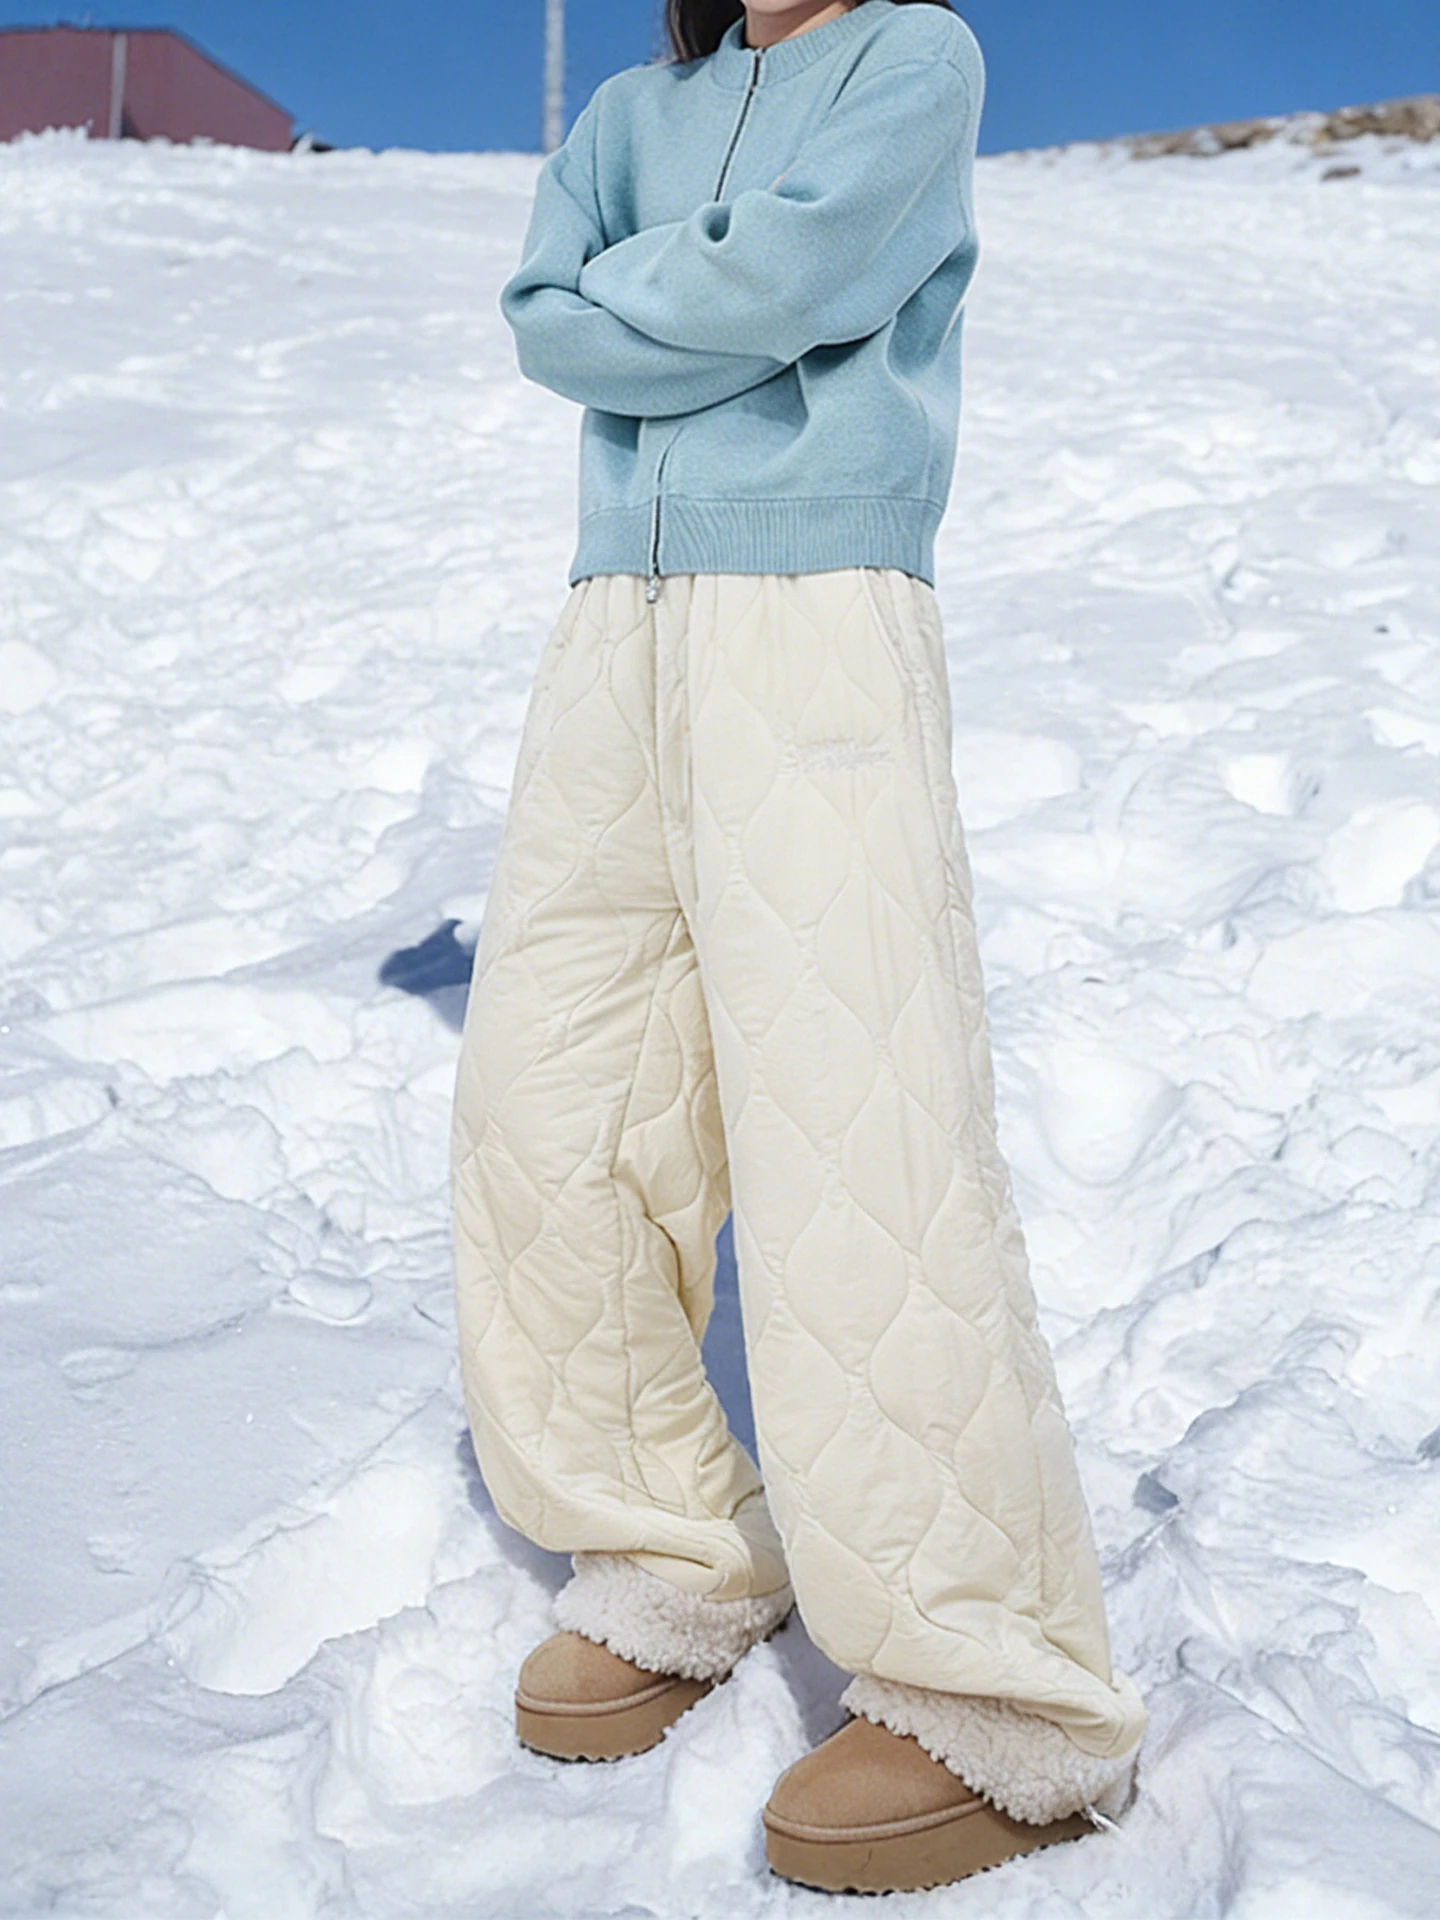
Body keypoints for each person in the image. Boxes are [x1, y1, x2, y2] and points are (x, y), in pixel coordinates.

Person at [450, 0, 1147, 1893]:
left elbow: (805, 271)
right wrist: (714, 302)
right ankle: (672, 1551)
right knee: (554, 1102)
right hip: (617, 617)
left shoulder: (917, 56)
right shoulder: (624, 108)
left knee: (859, 1125)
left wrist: (659, 306)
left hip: (819, 608)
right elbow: (544, 314)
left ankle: (994, 1694)